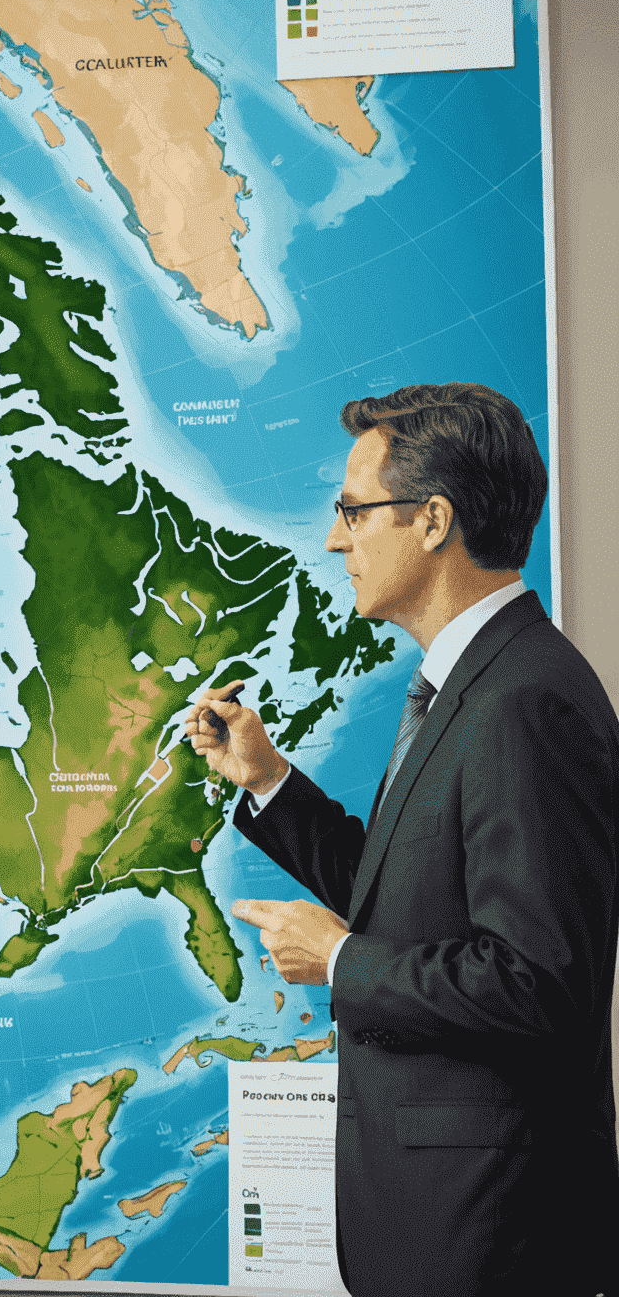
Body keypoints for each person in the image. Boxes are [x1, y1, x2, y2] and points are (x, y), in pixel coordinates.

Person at [185, 382, 617, 1297]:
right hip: (441, 1228)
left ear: (431, 520)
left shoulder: (524, 702)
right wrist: (268, 782)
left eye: (351, 510)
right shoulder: (470, 686)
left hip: (495, 1243)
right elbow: (407, 903)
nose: (336, 538)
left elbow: (541, 982)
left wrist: (341, 962)